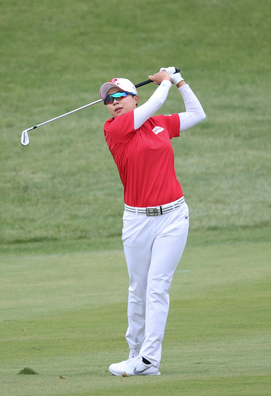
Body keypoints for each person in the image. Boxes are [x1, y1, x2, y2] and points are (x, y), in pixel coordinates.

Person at [99, 67, 206, 376]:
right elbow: (154, 105)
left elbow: (197, 114)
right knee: (138, 289)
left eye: (120, 96)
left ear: (135, 97)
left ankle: (148, 361)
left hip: (173, 216)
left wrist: (181, 82)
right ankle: (134, 353)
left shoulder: (159, 125)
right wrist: (166, 81)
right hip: (136, 220)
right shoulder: (114, 129)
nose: (114, 102)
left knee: (157, 287)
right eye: (108, 99)